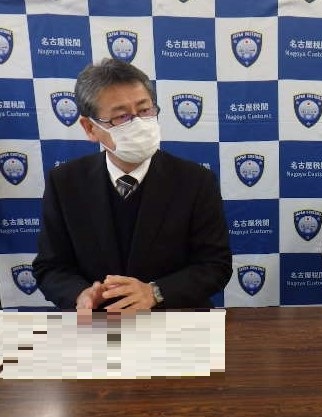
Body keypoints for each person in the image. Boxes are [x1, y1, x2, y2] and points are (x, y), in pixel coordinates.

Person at [33, 58, 232, 310]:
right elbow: (50, 267)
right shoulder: (65, 182)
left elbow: (215, 265)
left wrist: (155, 292)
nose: (138, 123)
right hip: (100, 321)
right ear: (90, 128)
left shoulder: (196, 180)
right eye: (122, 116)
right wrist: (80, 295)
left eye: (145, 110)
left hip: (173, 318)